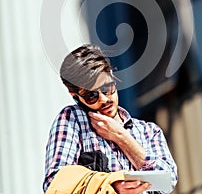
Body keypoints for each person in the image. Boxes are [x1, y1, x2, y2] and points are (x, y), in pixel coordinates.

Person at [43, 44, 177, 194]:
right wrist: (110, 187)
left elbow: (168, 181)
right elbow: (55, 184)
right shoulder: (72, 120)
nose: (104, 99)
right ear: (75, 95)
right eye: (91, 96)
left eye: (107, 88)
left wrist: (121, 137)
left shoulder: (148, 131)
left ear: (112, 77)